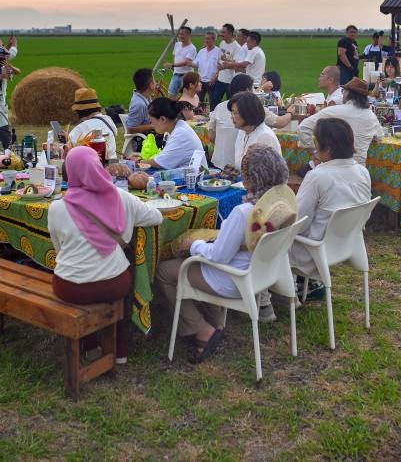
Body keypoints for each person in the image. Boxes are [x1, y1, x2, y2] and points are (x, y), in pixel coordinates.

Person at [157, 144, 295, 361]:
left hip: (234, 279)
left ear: (249, 180)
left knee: (165, 271)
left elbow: (218, 257)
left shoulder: (243, 213)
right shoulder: (280, 207)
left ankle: (202, 330)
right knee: (198, 257)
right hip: (262, 275)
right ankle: (216, 321)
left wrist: (193, 245)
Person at [48, 146, 163, 364]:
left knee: (84, 285)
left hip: (68, 287)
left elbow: (58, 249)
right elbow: (157, 217)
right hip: (112, 285)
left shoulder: (56, 208)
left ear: (68, 173)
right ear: (98, 168)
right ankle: (120, 352)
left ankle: (90, 346)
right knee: (124, 280)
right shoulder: (121, 197)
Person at [292, 118, 371, 300]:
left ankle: (270, 296)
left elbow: (298, 221)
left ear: (326, 148)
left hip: (314, 250)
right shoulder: (362, 171)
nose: (314, 147)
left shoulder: (317, 176)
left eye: (316, 142)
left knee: (270, 238)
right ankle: (308, 284)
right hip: (348, 242)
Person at [298, 77, 384, 166]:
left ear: (348, 93)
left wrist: (314, 152)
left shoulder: (333, 111)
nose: (342, 94)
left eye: (343, 91)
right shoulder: (371, 116)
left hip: (332, 168)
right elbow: (379, 137)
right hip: (358, 169)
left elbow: (303, 127)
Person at [137, 97, 204, 170]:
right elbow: (164, 156)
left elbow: (160, 163)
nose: (151, 124)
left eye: (151, 121)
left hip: (194, 175)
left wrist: (139, 161)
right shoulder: (177, 127)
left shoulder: (180, 134)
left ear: (163, 119)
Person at [207, 74, 254, 169]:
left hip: (218, 162)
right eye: (252, 89)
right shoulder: (251, 109)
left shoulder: (219, 107)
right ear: (248, 90)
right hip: (239, 166)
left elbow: (211, 137)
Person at [67, 87, 120, 163]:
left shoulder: (80, 129)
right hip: (112, 164)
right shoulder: (108, 121)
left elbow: (68, 149)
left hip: (90, 166)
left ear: (80, 111)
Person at [230, 92, 282, 168]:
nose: (232, 117)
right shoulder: (242, 131)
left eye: (236, 113)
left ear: (248, 113)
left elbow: (272, 171)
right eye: (232, 112)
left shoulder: (265, 136)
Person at [210, 23, 240, 106]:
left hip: (230, 81)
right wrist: (216, 75)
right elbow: (220, 61)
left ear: (230, 33)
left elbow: (236, 64)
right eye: (221, 32)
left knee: (230, 104)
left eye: (223, 32)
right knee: (214, 102)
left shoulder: (237, 47)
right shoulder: (222, 43)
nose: (221, 34)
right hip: (220, 79)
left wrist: (224, 65)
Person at [166, 26, 197, 96]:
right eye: (180, 34)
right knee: (171, 95)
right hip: (175, 75)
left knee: (186, 96)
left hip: (186, 77)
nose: (180, 36)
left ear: (188, 35)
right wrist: (173, 67)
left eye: (182, 34)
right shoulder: (177, 44)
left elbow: (186, 62)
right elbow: (175, 57)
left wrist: (172, 65)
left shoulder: (192, 48)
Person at [126, 68, 157, 135]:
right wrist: (153, 126)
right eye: (154, 81)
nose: (156, 83)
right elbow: (131, 129)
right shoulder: (139, 104)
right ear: (151, 85)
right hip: (144, 139)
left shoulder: (147, 97)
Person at [194, 30, 220, 106]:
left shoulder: (218, 51)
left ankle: (212, 113)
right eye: (205, 38)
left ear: (214, 40)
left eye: (208, 39)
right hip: (200, 81)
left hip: (212, 82)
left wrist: (215, 78)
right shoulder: (201, 51)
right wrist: (187, 62)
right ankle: (199, 113)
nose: (206, 40)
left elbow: (221, 67)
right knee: (198, 102)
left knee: (213, 102)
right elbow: (196, 64)